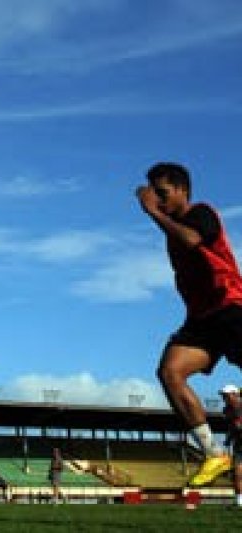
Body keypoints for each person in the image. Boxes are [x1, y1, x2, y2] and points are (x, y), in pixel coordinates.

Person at [136, 162, 242, 486]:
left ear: (183, 190)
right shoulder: (172, 230)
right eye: (154, 194)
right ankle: (214, 453)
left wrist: (153, 213)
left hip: (231, 309)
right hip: (201, 320)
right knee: (170, 372)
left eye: (163, 193)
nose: (158, 200)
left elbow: (192, 241)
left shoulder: (201, 214)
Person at [221, 384, 242, 507]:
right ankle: (240, 502)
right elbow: (232, 427)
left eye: (226, 395)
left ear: (235, 394)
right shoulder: (227, 410)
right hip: (238, 445)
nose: (224, 397)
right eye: (223, 395)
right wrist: (228, 439)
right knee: (237, 473)